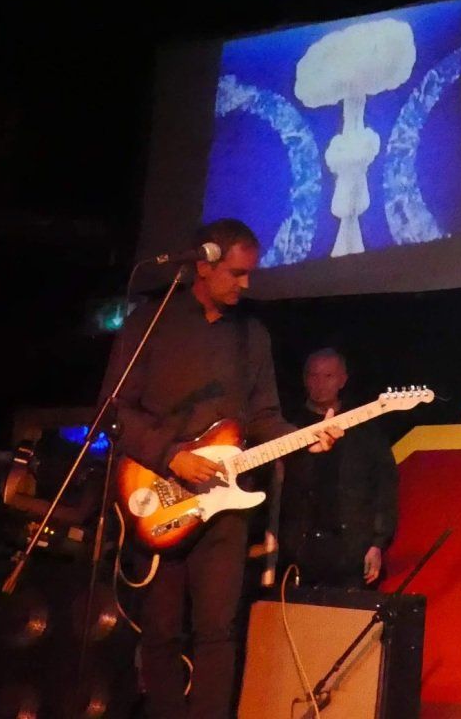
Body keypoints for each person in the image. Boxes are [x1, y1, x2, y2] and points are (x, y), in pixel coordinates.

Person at [103, 219, 340, 719]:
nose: (245, 284)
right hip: (159, 494)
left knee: (217, 630)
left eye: (250, 274)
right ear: (204, 266)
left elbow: (264, 418)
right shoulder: (151, 322)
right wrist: (170, 455)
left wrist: (305, 439)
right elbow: (115, 410)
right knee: (161, 629)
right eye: (236, 273)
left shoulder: (252, 336)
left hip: (227, 505)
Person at [278, 347, 400, 588]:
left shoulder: (365, 429)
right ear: (304, 378)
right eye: (313, 375)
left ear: (342, 380)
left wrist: (378, 544)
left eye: (328, 376)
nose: (320, 383)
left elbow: (385, 487)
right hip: (298, 550)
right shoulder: (286, 427)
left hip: (351, 550)